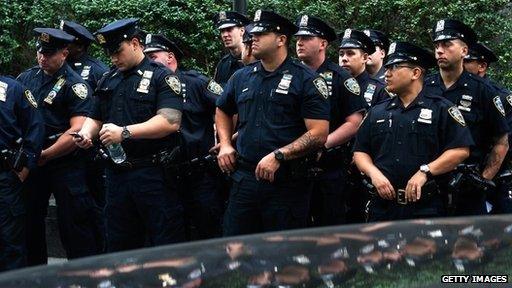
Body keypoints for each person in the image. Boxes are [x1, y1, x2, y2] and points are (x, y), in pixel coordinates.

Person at [74, 18, 185, 251]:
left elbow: (170, 121)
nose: (113, 59)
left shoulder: (161, 77)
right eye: (109, 54)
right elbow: (96, 117)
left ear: (135, 43)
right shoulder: (108, 79)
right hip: (117, 175)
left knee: (164, 243)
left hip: (153, 174)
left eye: (118, 52)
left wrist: (124, 133)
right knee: (119, 244)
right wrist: (86, 133)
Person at [215, 10, 330, 235]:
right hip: (245, 177)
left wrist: (280, 155)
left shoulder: (306, 79)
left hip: (286, 182)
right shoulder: (242, 77)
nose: (252, 38)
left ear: (281, 39)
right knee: (236, 248)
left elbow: (318, 133)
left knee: (282, 256)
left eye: (260, 34)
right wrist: (226, 143)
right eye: (251, 34)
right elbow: (222, 109)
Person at [353, 41, 473, 221]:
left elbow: (460, 150)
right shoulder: (377, 111)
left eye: (394, 67)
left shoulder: (441, 109)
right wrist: (374, 174)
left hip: (425, 208)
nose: (387, 73)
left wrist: (425, 171)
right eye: (387, 68)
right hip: (383, 207)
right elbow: (360, 151)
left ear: (415, 73)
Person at [17, 28, 101, 265]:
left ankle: (82, 275)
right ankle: (35, 274)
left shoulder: (76, 85)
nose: (42, 57)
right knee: (29, 221)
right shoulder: (26, 78)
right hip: (34, 160)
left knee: (74, 223)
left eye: (49, 54)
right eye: (40, 52)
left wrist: (45, 155)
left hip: (65, 162)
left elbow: (77, 130)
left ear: (64, 54)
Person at [424, 19, 509, 215]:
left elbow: (502, 141)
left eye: (447, 44)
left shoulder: (483, 91)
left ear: (464, 51)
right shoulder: (423, 87)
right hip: (427, 183)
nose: (439, 50)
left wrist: (484, 179)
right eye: (437, 45)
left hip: (467, 186)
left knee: (467, 244)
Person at [143, 33, 223, 240]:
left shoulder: (196, 82)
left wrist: (226, 139)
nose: (148, 61)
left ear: (170, 57)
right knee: (170, 234)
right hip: (163, 174)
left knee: (207, 231)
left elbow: (226, 108)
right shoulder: (147, 85)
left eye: (153, 56)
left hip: (198, 172)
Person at [294, 14, 366, 226]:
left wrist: (321, 143)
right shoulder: (290, 74)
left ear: (323, 43)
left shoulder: (341, 78)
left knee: (330, 229)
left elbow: (354, 122)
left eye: (307, 38)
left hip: (328, 167)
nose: (299, 42)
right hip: (292, 167)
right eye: (298, 38)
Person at [0, 72, 44, 271]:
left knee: (11, 242)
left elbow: (35, 129)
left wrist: (24, 168)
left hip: (5, 178)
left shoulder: (14, 89)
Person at [463, 42, 512, 214]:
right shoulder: (446, 91)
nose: (460, 66)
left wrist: (483, 179)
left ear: (482, 66)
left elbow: (505, 143)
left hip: (490, 181)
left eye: (466, 61)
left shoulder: (501, 97)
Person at [338, 29, 389, 106]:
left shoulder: (380, 90)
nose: (344, 58)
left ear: (365, 57)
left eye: (350, 53)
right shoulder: (333, 85)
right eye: (341, 54)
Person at [60, 20, 109, 91]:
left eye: (66, 43)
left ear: (80, 47)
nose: (61, 46)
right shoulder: (57, 64)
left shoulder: (98, 71)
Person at [213, 11, 250, 87]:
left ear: (242, 31)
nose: (225, 35)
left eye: (229, 29)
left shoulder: (254, 60)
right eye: (222, 31)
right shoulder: (222, 64)